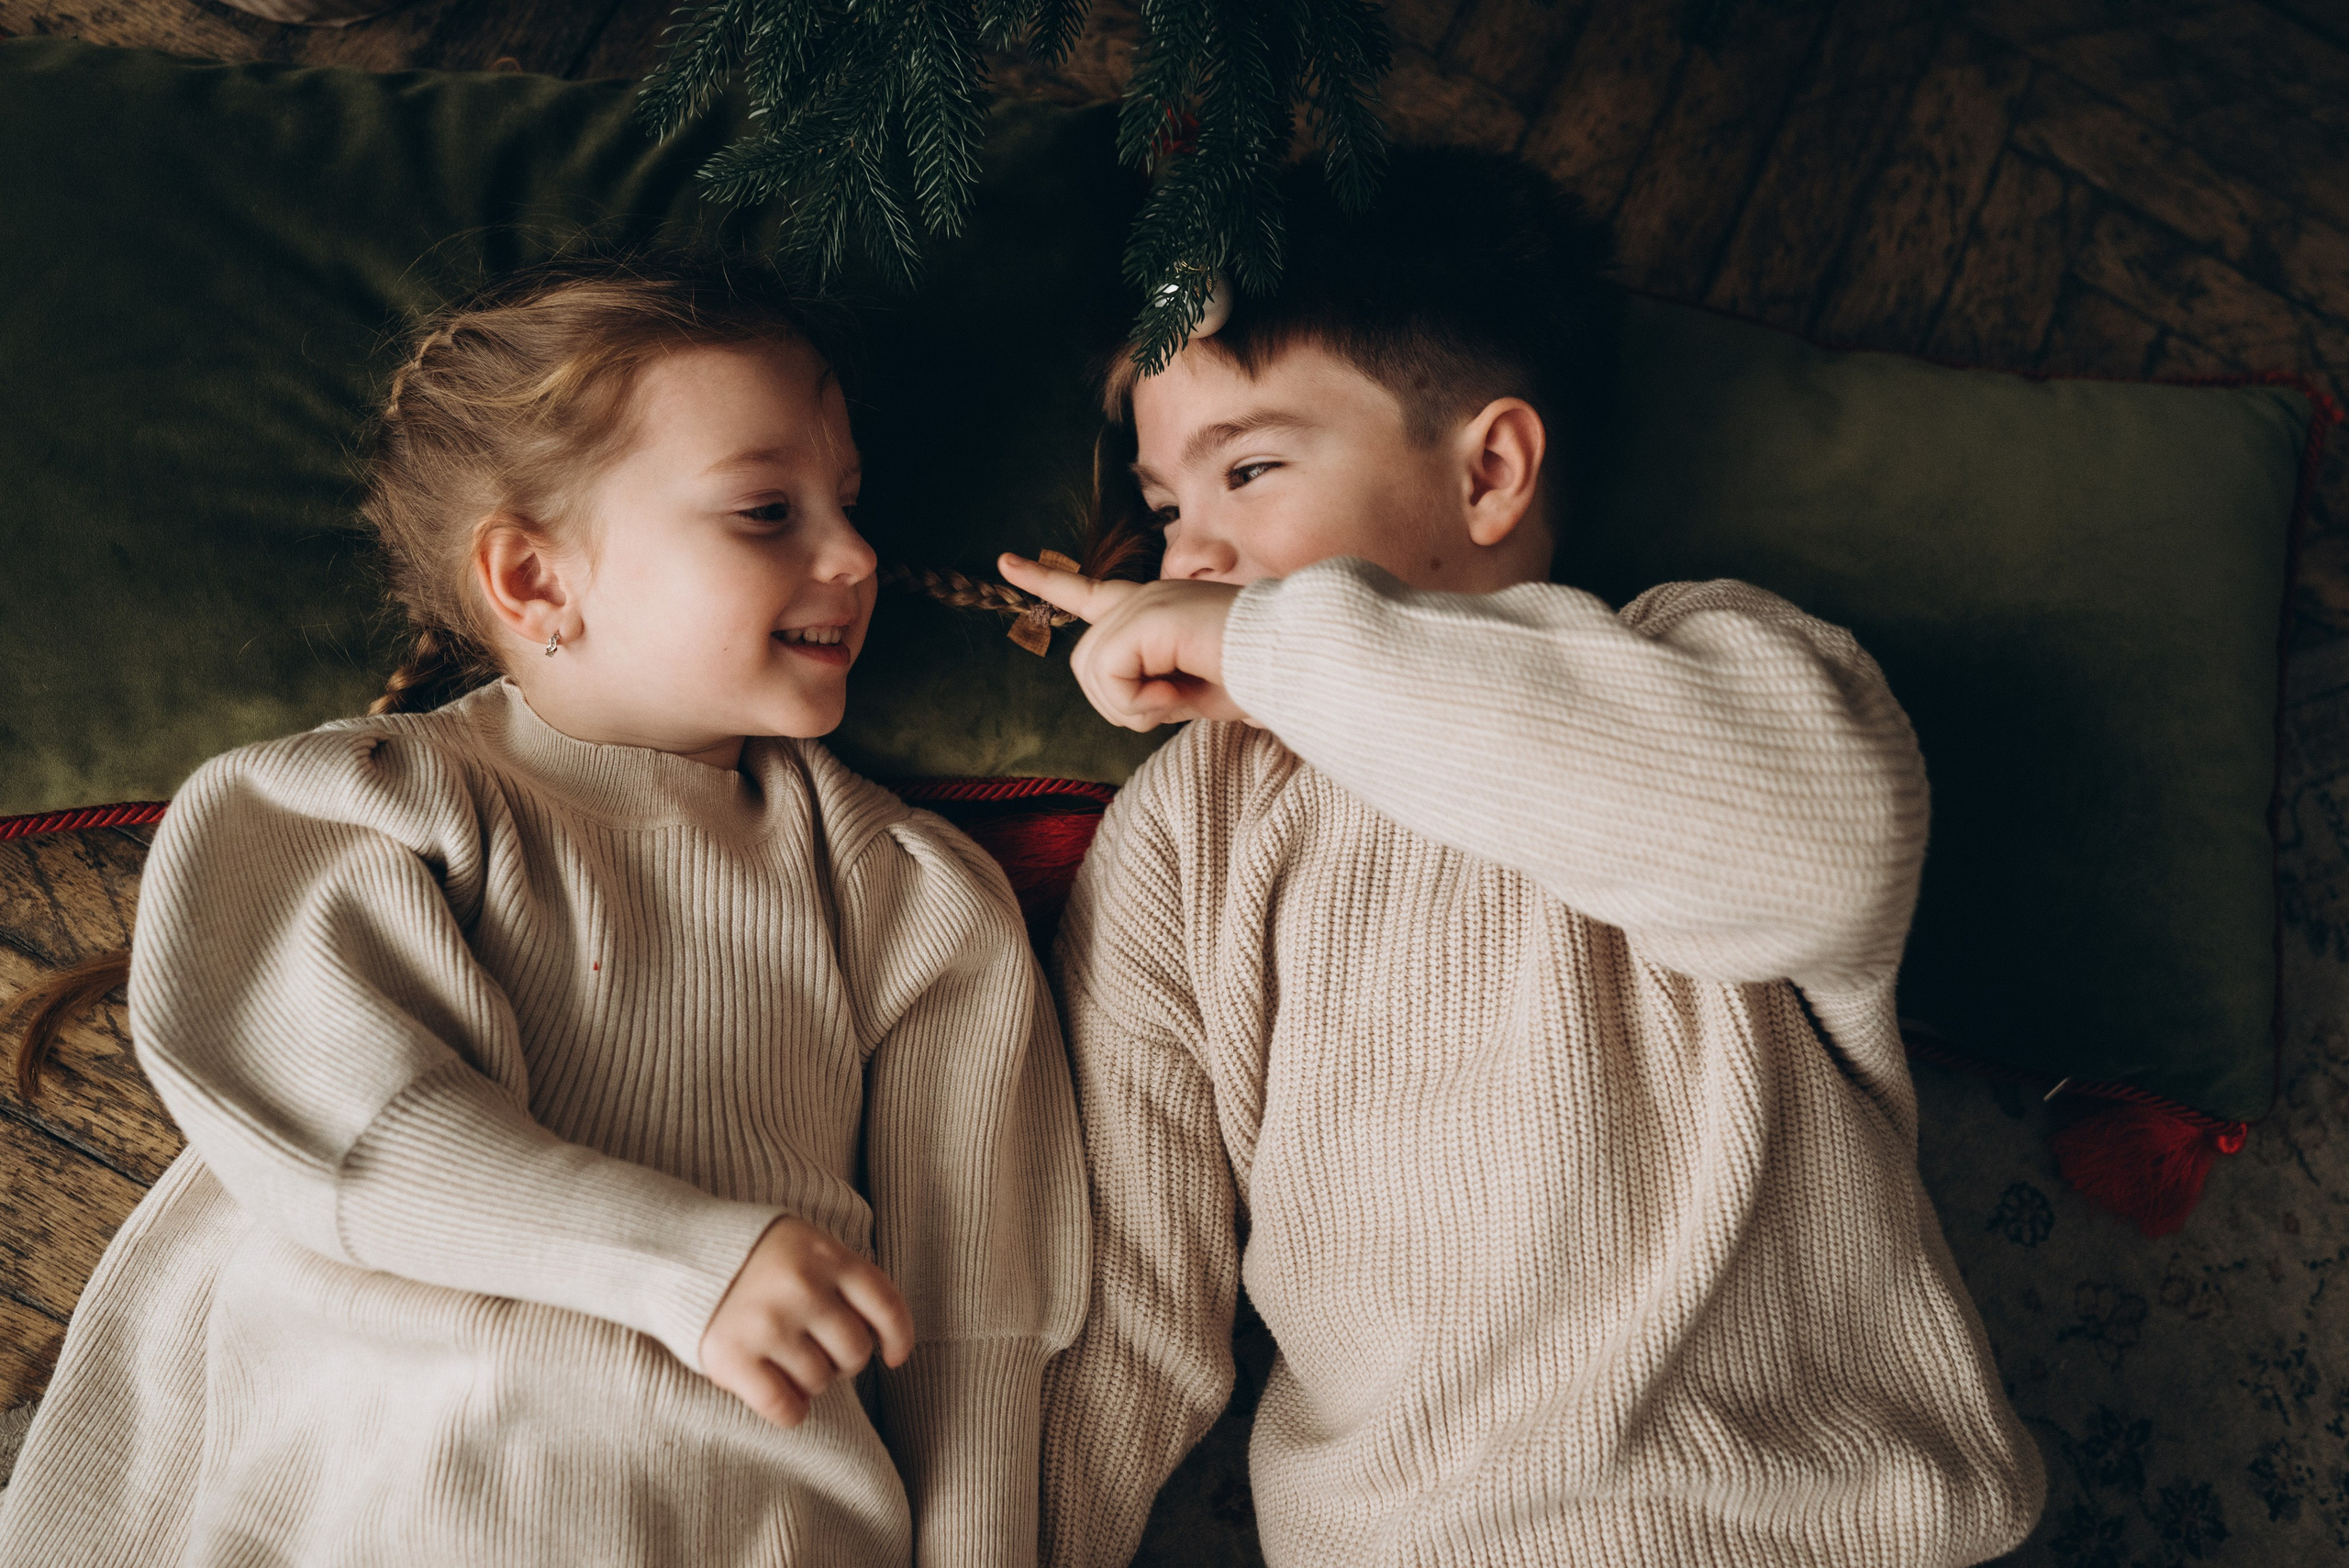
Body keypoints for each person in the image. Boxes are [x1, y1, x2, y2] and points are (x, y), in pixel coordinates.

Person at [1001, 148, 2044, 1566]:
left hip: (1812, 1520)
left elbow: (1829, 846)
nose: (1193, 555)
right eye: (1169, 509)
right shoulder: (1188, 833)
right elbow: (1125, 1305)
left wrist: (1268, 646)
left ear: (1490, 469)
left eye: (1248, 469)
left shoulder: (1717, 661)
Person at [0, 259, 1086, 1567]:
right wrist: (683, 1261)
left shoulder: (913, 897)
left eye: (847, 504)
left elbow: (969, 1322)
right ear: (531, 578)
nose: (855, 556)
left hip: (760, 1513)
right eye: (765, 512)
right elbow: (357, 1133)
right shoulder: (361, 805)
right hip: (412, 1476)